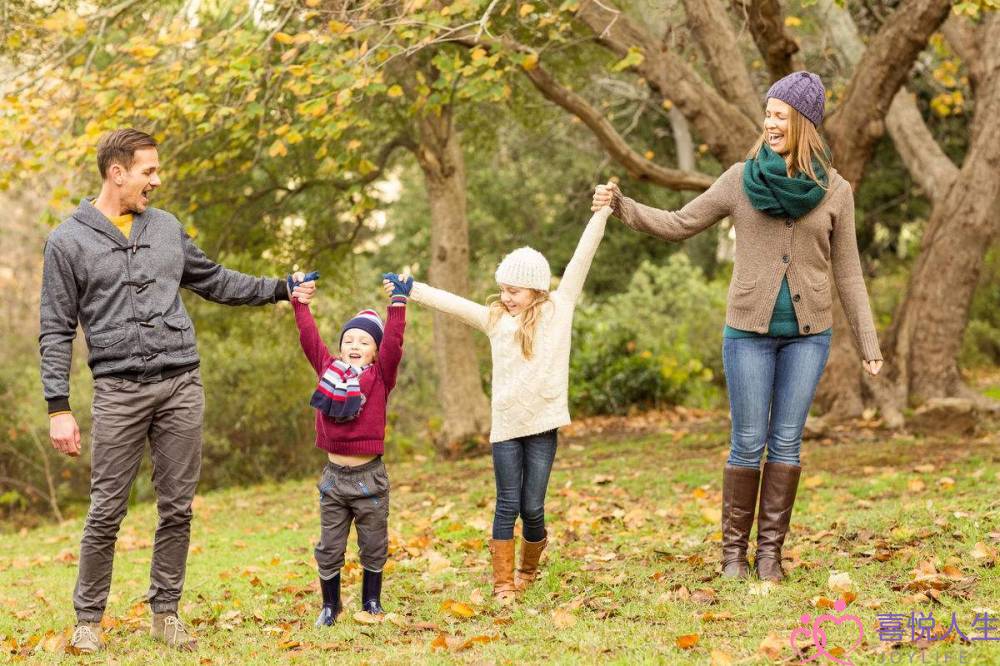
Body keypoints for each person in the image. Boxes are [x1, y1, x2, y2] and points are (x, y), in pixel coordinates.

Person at [592, 71, 883, 582]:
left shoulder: (836, 191)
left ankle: (769, 555)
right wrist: (623, 206)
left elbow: (849, 272)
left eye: (780, 115)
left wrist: (868, 343)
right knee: (748, 441)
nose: (769, 123)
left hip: (809, 336)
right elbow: (681, 223)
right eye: (767, 114)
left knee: (787, 443)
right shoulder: (739, 179)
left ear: (804, 123)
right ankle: (733, 557)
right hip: (747, 333)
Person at [39, 128, 315, 653]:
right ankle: (88, 621)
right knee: (106, 511)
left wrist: (280, 287)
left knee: (178, 507)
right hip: (118, 391)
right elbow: (56, 329)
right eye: (148, 172)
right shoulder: (66, 242)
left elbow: (215, 280)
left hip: (181, 385)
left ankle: (166, 613)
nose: (156, 181)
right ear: (116, 173)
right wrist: (59, 406)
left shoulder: (165, 228)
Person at [388, 202, 611, 603]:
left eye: (514, 290)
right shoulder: (496, 321)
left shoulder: (559, 311)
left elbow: (582, 258)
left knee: (534, 508)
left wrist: (602, 212)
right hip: (506, 427)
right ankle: (503, 583)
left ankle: (528, 569)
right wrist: (412, 289)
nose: (505, 297)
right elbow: (455, 305)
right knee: (507, 503)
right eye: (503, 289)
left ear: (536, 290)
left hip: (542, 425)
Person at [291, 271, 408, 625]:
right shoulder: (329, 371)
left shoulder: (380, 377)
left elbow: (395, 345)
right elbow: (309, 339)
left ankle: (371, 601)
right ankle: (331, 606)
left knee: (373, 545)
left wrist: (398, 305)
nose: (355, 346)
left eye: (364, 342)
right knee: (329, 546)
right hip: (334, 480)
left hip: (369, 479)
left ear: (375, 351)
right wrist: (300, 304)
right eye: (349, 340)